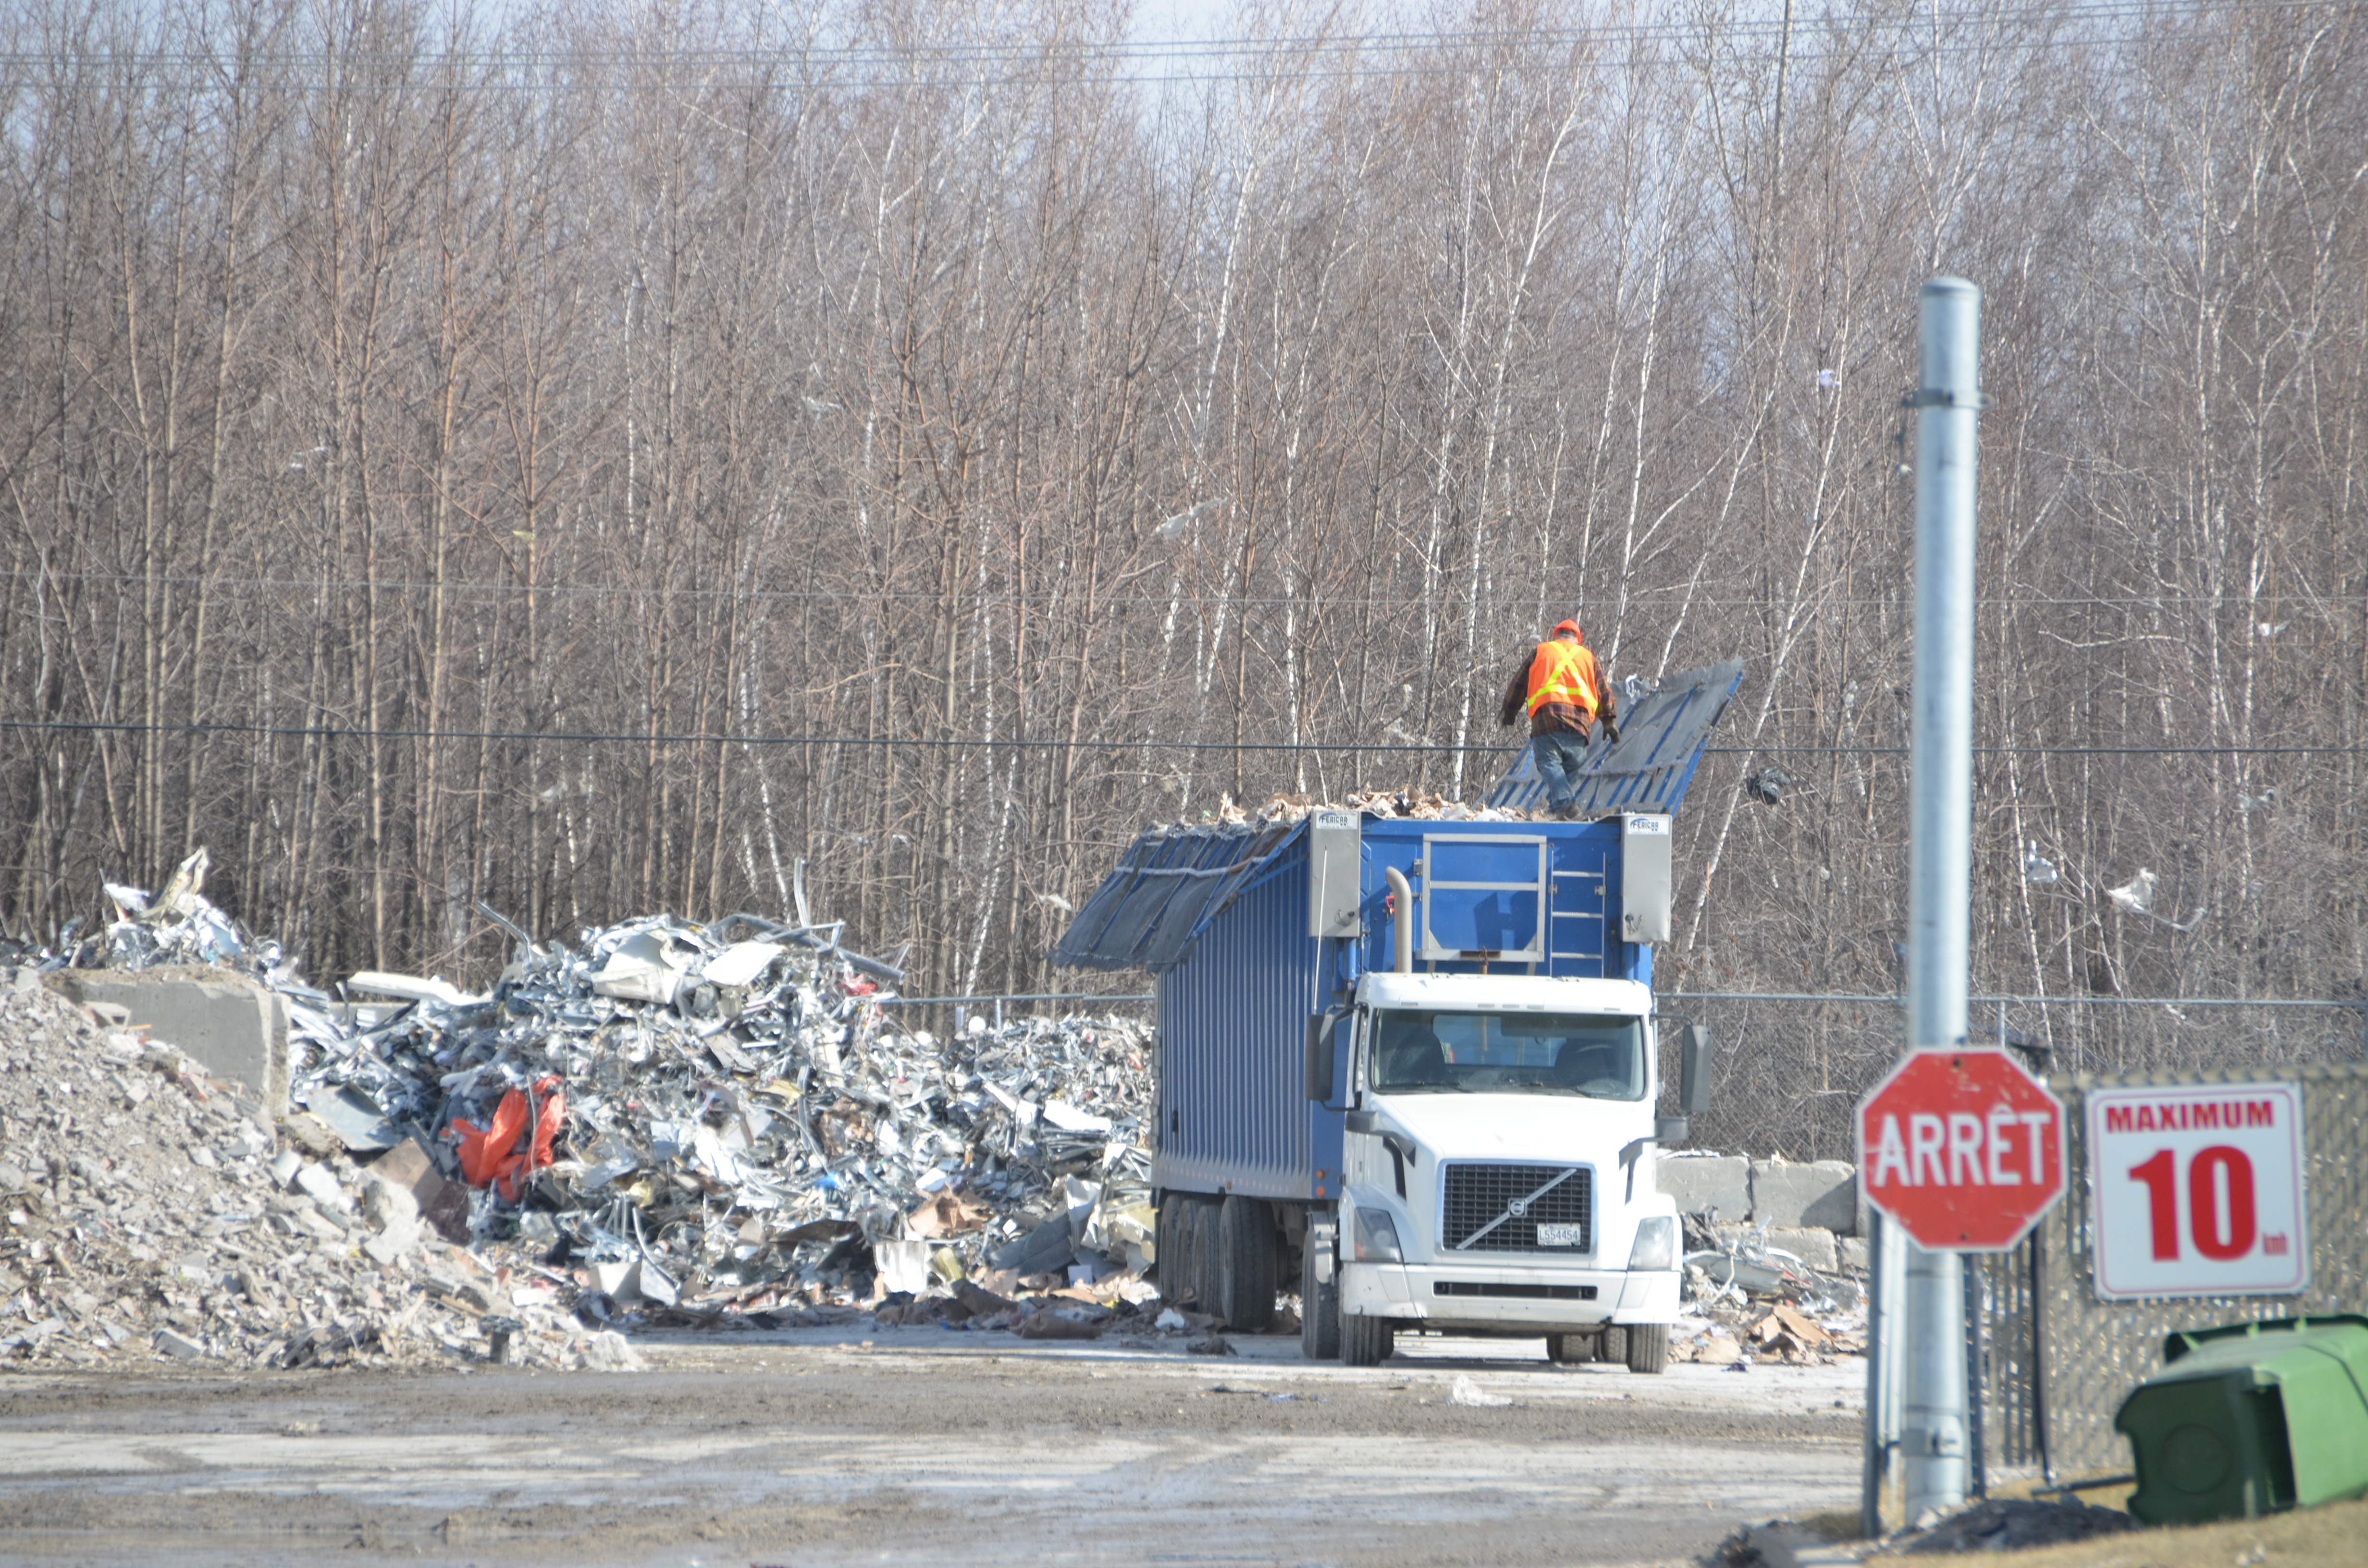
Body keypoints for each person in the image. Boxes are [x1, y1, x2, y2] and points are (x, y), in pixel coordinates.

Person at [1497, 617, 1619, 819]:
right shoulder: (1588, 657)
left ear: (1556, 636)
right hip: (1580, 726)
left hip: (1548, 719)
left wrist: (1509, 713)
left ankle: (1566, 806)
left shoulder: (1543, 651)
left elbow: (1519, 683)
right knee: (1571, 766)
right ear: (1577, 640)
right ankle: (1560, 812)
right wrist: (1609, 722)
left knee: (1549, 762)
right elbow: (1604, 690)